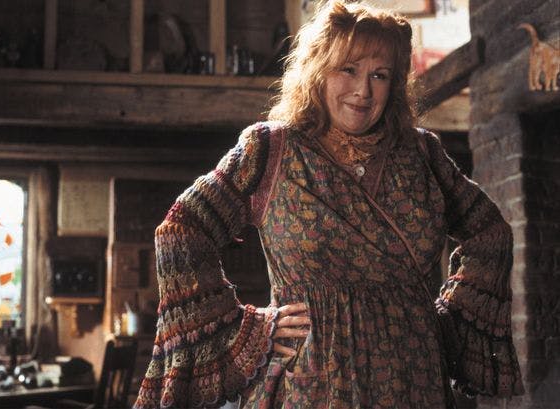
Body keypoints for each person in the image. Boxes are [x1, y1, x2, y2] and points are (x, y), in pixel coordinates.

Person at [134, 2, 524, 408]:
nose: (363, 90)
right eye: (348, 70)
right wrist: (247, 333)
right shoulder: (269, 150)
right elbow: (181, 230)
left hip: (416, 382)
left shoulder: (423, 154)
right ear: (318, 69)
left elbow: (490, 233)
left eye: (380, 75)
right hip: (311, 382)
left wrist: (451, 325)